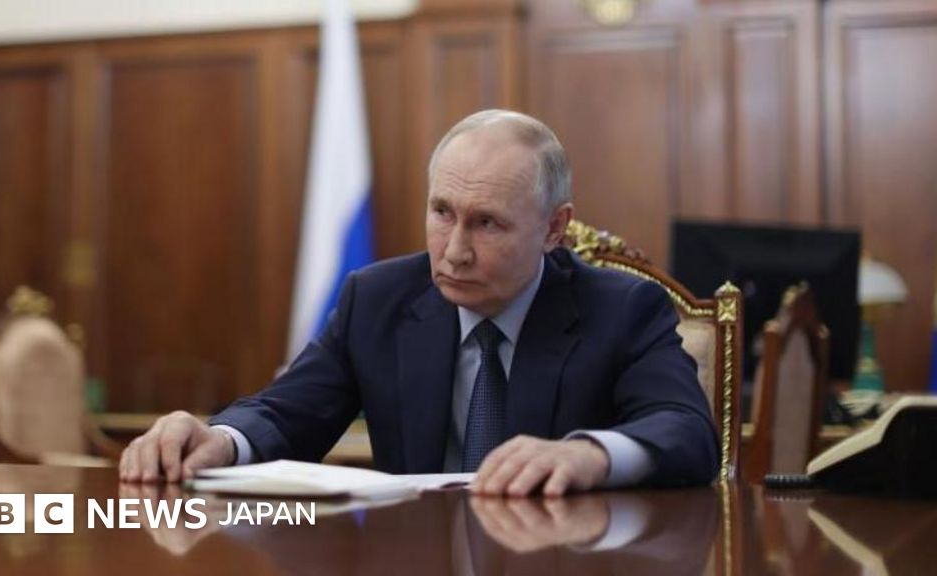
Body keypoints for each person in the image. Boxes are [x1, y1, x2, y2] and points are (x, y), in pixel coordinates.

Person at [119, 109, 719, 495]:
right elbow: (286, 413)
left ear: (554, 229)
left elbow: (688, 432)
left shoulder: (622, 308)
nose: (454, 252)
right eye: (442, 212)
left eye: (487, 223)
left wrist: (590, 456)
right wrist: (221, 439)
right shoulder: (377, 299)